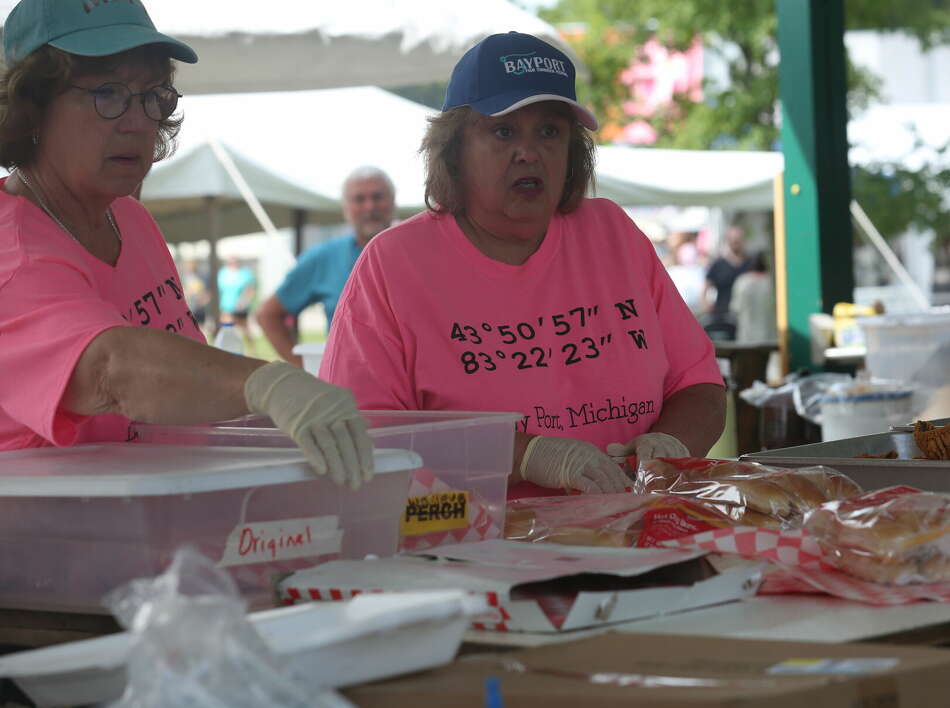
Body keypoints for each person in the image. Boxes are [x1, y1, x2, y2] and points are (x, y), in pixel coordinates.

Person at [322, 31, 726, 496]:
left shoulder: (613, 233)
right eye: (504, 130)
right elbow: (364, 433)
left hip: (631, 531)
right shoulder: (393, 265)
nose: (529, 152)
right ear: (454, 150)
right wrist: (522, 456)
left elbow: (700, 385)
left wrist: (672, 443)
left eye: (550, 132)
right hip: (468, 548)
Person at [0, 0, 373, 489]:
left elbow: (181, 391)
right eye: (107, 93)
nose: (137, 122)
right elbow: (110, 370)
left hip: (152, 524)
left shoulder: (128, 219)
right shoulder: (12, 251)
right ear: (32, 108)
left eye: (152, 95)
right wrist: (266, 384)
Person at [257, 167, 396, 366]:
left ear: (393, 201)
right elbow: (268, 315)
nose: (369, 206)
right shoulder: (324, 257)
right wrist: (306, 371)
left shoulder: (418, 252)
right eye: (359, 199)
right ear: (346, 208)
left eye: (377, 197)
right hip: (350, 387)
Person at [703, 225, 754, 339]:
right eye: (733, 240)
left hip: (746, 317)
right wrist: (706, 304)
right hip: (723, 316)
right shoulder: (719, 264)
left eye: (738, 240)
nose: (735, 242)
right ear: (728, 241)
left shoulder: (751, 263)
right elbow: (706, 286)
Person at [729, 252, 776, 343]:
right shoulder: (771, 283)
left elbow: (735, 308)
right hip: (768, 336)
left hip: (746, 335)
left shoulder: (742, 282)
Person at [217, 255, 256, 341]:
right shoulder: (223, 273)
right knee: (226, 330)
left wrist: (244, 301)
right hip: (226, 306)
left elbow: (250, 289)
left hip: (241, 308)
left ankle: (253, 351)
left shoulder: (245, 273)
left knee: (245, 330)